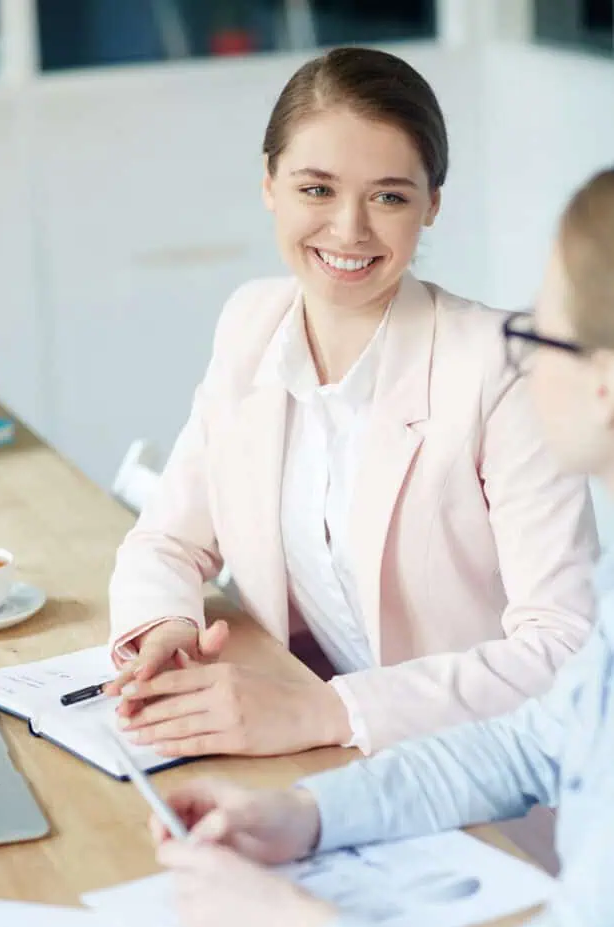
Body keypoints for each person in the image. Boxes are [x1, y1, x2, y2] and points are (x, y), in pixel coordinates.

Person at [152, 168, 614, 927]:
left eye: (538, 334)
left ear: (603, 384)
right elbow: (529, 748)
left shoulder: (469, 370)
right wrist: (302, 814)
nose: (519, 355)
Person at [106, 47, 596, 761]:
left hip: (491, 769)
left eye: (388, 196)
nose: (348, 230)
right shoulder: (252, 325)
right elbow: (168, 540)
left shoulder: (501, 368)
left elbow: (564, 647)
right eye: (315, 189)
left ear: (431, 205)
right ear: (269, 183)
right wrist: (166, 631)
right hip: (323, 755)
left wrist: (325, 711)